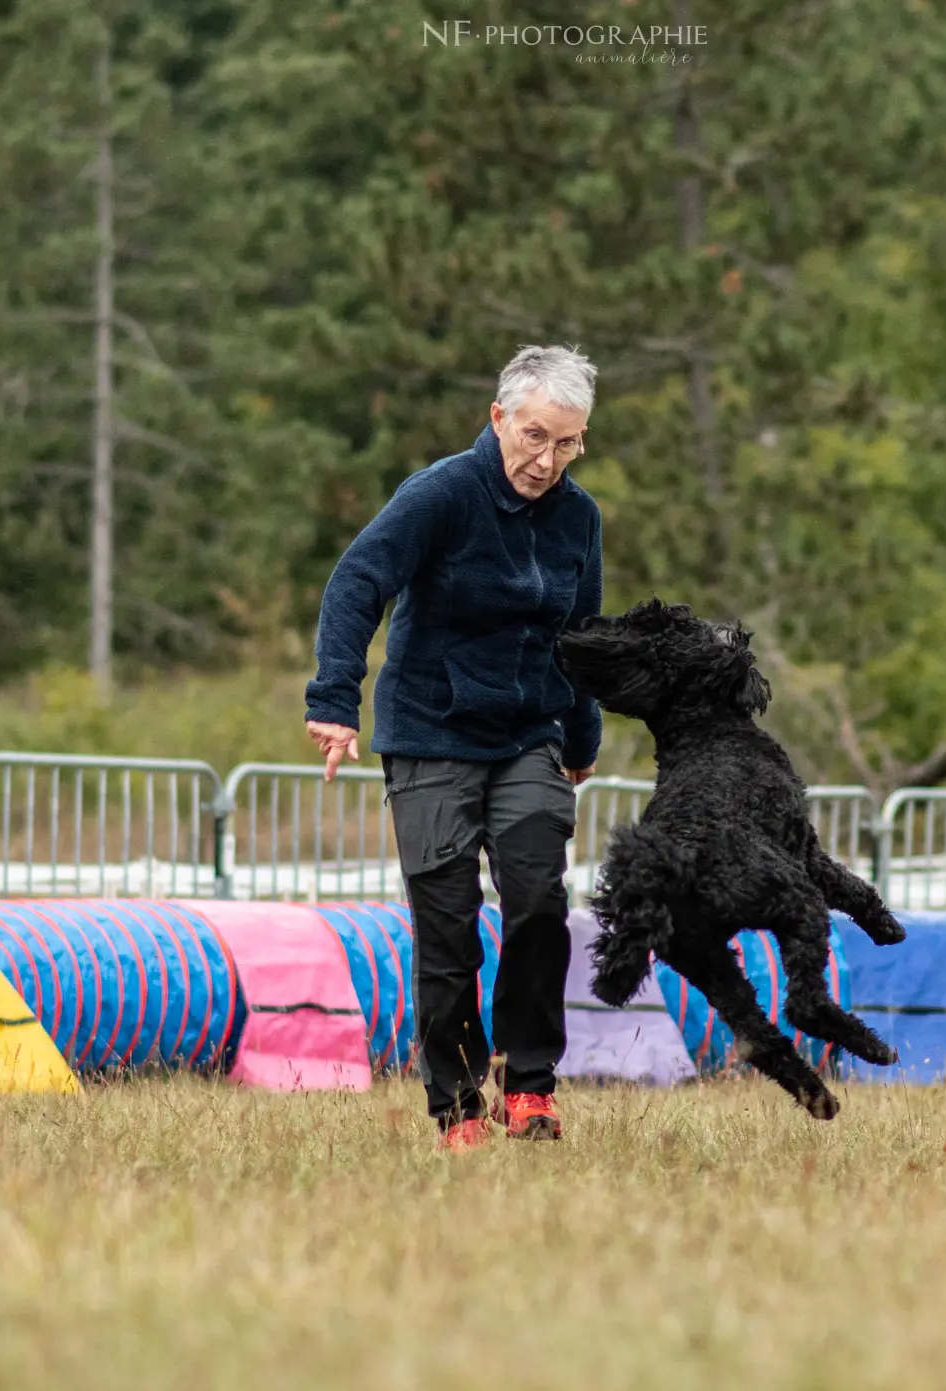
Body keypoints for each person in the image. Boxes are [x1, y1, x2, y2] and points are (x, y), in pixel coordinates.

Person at [304, 344, 602, 1152]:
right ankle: (459, 1106)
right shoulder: (441, 494)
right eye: (535, 435)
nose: (547, 460)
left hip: (528, 735)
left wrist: (583, 737)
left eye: (567, 443)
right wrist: (334, 702)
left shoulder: (579, 518)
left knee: (542, 901)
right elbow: (356, 581)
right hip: (431, 734)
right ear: (499, 417)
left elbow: (581, 636)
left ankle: (530, 1087)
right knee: (449, 925)